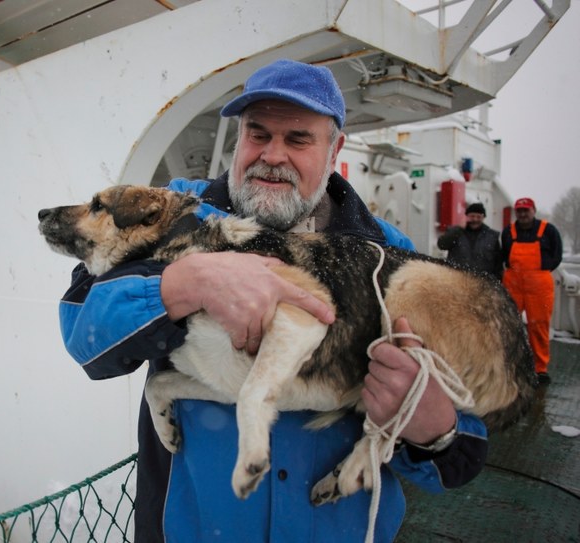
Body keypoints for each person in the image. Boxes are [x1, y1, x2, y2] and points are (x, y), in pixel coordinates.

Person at [57, 59, 487, 542]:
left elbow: (461, 458)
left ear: (334, 150)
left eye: (298, 139)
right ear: (238, 138)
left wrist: (436, 429)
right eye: (258, 134)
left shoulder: (388, 256)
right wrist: (182, 284)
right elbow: (82, 332)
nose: (273, 155)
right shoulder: (169, 213)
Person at [501, 197, 563, 384]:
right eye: (519, 211)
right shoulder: (508, 232)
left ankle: (540, 368)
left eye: (526, 210)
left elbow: (557, 255)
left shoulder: (548, 230)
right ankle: (508, 365)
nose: (522, 214)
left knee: (539, 326)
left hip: (539, 285)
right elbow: (505, 256)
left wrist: (542, 270)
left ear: (533, 210)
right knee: (508, 325)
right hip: (514, 284)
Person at [437, 202, 503, 279]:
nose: (475, 219)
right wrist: (459, 229)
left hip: (482, 283)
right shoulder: (455, 232)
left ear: (483, 217)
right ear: (466, 216)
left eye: (478, 217)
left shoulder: (492, 236)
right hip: (457, 281)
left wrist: (496, 282)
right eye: (472, 216)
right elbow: (442, 245)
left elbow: (498, 264)